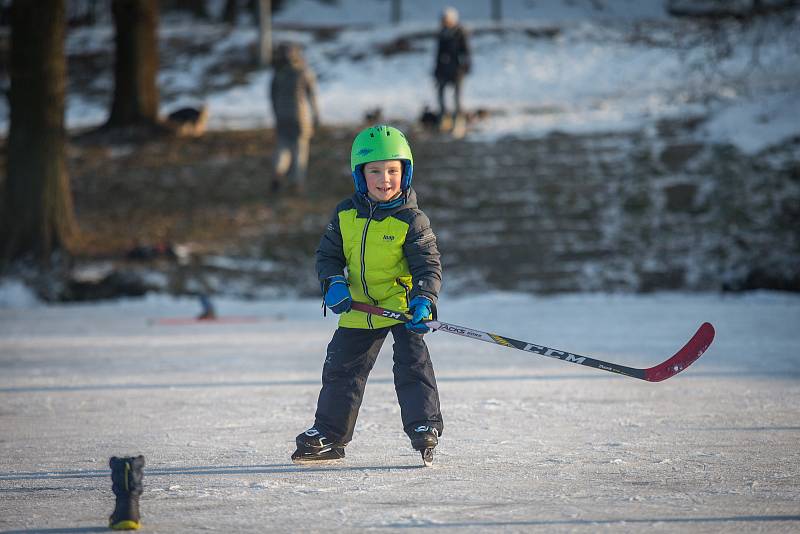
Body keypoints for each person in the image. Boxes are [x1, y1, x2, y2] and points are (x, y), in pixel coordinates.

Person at [292, 125, 444, 465]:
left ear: (405, 173)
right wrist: (333, 283)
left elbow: (428, 266)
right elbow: (327, 256)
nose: (384, 178)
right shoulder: (345, 214)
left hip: (402, 307)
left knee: (413, 365)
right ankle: (330, 435)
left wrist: (424, 299)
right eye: (375, 171)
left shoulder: (412, 220)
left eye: (393, 170)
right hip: (359, 306)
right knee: (341, 369)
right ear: (360, 175)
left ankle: (424, 426)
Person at [269, 42, 320, 194]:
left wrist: (276, 114)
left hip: (282, 116)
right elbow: (312, 96)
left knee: (282, 148)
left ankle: (278, 172)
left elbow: (272, 96)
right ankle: (297, 183)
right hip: (301, 117)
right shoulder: (304, 72)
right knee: (300, 150)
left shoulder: (278, 74)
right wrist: (316, 115)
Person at [433, 6, 471, 131]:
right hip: (443, 70)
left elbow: (466, 52)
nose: (444, 22)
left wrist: (465, 67)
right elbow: (438, 54)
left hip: (456, 70)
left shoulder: (460, 33)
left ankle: (459, 123)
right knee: (441, 95)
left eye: (446, 19)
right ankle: (444, 120)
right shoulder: (442, 34)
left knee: (457, 98)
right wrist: (436, 70)